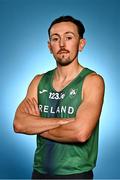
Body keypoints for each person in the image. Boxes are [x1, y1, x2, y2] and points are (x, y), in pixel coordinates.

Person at [13, 15, 105, 179]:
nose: (62, 44)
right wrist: (63, 121)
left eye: (69, 37)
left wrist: (37, 125)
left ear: (81, 44)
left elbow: (80, 133)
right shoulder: (39, 81)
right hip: (39, 172)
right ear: (49, 46)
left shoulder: (92, 81)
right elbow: (19, 124)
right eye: (55, 39)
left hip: (76, 174)